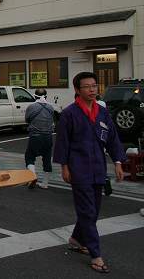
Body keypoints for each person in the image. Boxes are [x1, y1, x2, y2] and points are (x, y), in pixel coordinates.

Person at [54, 72, 126, 274]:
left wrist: (118, 162)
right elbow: (62, 142)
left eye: (94, 86)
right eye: (87, 86)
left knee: (92, 209)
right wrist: (64, 167)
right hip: (78, 168)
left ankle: (77, 238)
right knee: (87, 210)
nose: (92, 90)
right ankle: (96, 255)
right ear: (77, 90)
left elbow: (112, 138)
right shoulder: (69, 113)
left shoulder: (102, 112)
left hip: (98, 168)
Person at [25, 88, 55, 189]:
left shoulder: (31, 107)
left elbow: (27, 119)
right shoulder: (50, 107)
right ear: (46, 97)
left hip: (35, 136)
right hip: (48, 136)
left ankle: (33, 176)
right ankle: (45, 183)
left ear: (34, 96)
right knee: (47, 158)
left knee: (29, 156)